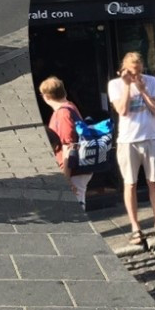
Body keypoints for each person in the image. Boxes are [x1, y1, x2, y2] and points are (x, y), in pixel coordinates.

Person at [108, 51, 155, 247]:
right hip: (128, 140)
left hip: (150, 137)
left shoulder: (151, 81)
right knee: (130, 184)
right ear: (124, 70)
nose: (135, 75)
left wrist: (143, 90)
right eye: (131, 72)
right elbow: (122, 110)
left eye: (138, 71)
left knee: (154, 182)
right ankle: (135, 227)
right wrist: (128, 87)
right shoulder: (115, 84)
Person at [38, 75, 93, 210]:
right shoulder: (70, 106)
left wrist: (66, 178)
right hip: (80, 166)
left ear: (46, 96)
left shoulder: (62, 114)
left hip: (73, 168)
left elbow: (69, 145)